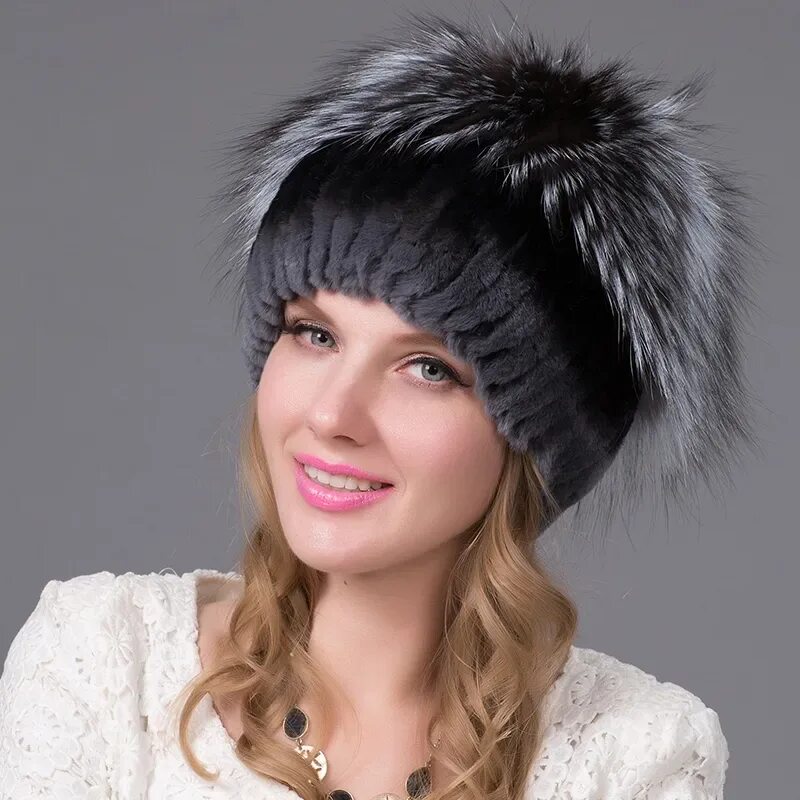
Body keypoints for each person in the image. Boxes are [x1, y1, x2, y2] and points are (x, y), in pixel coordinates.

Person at [0, 11, 759, 800]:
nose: (333, 416)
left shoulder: (637, 755)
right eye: (315, 334)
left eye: (427, 368)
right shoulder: (103, 662)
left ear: (536, 442)